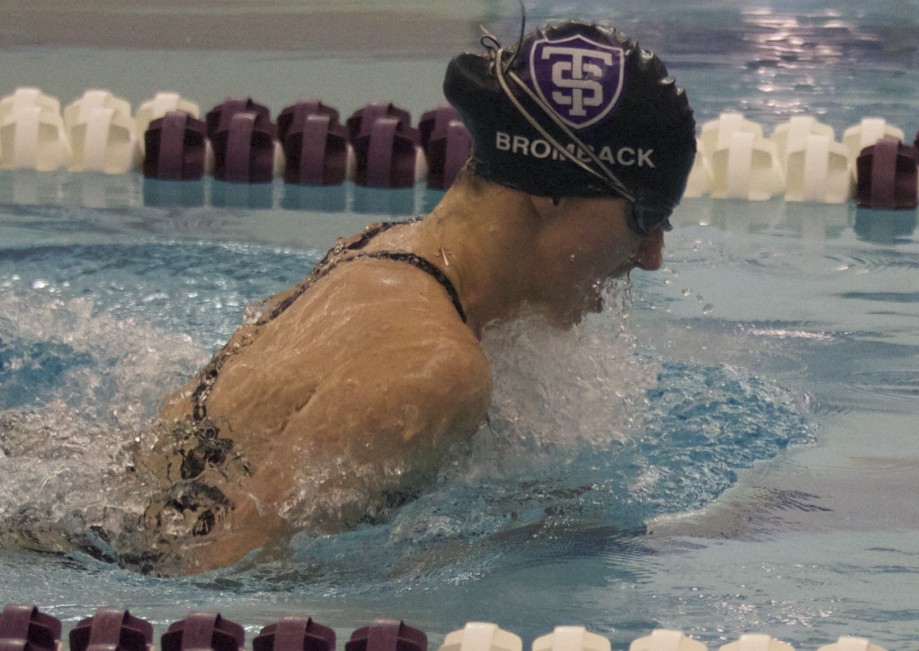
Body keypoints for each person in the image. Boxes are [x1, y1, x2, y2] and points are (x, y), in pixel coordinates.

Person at [128, 19, 697, 575]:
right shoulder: (433, 372)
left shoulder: (387, 251)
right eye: (644, 217)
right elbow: (216, 575)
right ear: (550, 193)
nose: (651, 256)